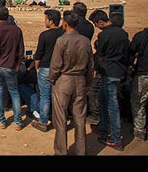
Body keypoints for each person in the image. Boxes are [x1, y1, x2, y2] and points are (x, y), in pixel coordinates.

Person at [49, 11, 94, 156]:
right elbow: (90, 65)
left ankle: (61, 151)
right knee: (80, 119)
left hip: (64, 80)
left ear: (65, 23)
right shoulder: (85, 41)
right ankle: (81, 151)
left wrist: (52, 78)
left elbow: (55, 64)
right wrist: (88, 82)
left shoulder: (61, 41)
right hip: (80, 80)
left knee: (60, 118)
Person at [89, 9, 129, 151]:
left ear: (101, 22)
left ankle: (116, 139)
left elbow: (100, 56)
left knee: (112, 106)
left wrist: (96, 69)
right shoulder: (123, 33)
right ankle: (102, 127)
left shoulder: (104, 35)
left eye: (96, 24)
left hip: (109, 72)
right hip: (119, 71)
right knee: (103, 98)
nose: (96, 27)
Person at [0, 7, 25, 130]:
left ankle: (1, 121)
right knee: (14, 93)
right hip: (10, 66)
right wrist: (18, 63)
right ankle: (18, 122)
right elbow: (21, 49)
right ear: (8, 17)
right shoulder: (16, 31)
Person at [32, 9, 65, 132]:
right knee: (59, 96)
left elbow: (39, 53)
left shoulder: (45, 35)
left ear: (51, 21)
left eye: (45, 19)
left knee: (45, 96)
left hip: (46, 68)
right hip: (60, 68)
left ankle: (43, 121)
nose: (44, 21)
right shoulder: (63, 33)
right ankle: (60, 121)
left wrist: (36, 65)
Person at [129, 27, 148, 141]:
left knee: (138, 102)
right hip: (142, 73)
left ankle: (140, 131)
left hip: (143, 74)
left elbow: (131, 53)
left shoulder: (140, 36)